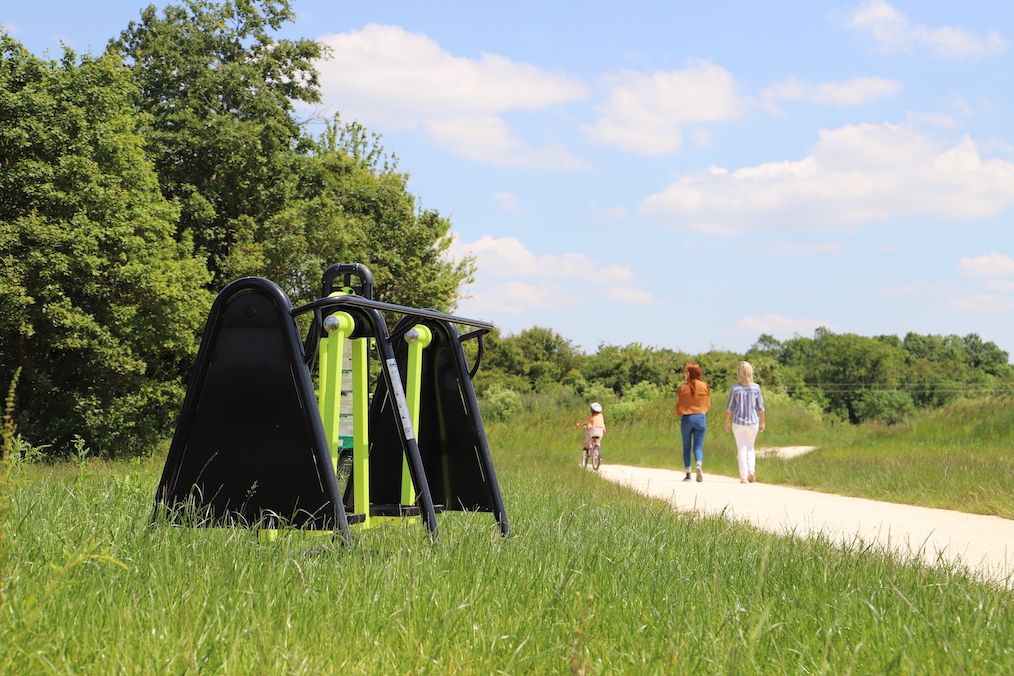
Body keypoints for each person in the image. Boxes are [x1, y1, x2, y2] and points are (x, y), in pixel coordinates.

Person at [725, 361, 766, 484]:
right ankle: (751, 471)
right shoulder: (756, 388)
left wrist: (727, 420)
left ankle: (743, 476)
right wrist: (763, 422)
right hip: (753, 422)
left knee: (741, 448)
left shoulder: (735, 388)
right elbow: (761, 407)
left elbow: (730, 407)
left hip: (738, 422)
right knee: (750, 447)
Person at [675, 363, 710, 482]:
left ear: (688, 373)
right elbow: (708, 403)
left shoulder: (683, 388)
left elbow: (679, 403)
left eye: (685, 371)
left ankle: (688, 474)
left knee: (686, 446)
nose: (684, 374)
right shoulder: (704, 386)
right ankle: (699, 465)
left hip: (687, 418)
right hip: (701, 417)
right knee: (698, 446)